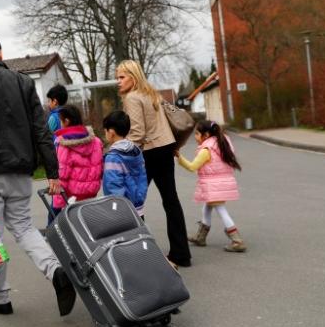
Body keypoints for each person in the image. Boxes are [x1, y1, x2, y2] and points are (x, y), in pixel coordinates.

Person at [0, 36, 76, 316]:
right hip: (21, 170)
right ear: (0, 54)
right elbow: (40, 129)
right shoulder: (22, 82)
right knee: (24, 227)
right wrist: (52, 171)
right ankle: (56, 271)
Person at [116, 59, 192, 268]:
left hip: (148, 153)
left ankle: (136, 254)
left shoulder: (132, 98)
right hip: (165, 149)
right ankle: (181, 254)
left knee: (132, 201)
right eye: (117, 77)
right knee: (171, 201)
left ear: (133, 76)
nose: (118, 81)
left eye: (121, 77)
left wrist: (118, 150)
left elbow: (138, 133)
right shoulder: (152, 93)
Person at [176, 120, 247, 252]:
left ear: (206, 134)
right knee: (207, 208)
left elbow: (192, 167)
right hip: (221, 182)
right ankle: (201, 237)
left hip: (214, 185)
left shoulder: (206, 149)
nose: (195, 137)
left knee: (221, 210)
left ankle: (237, 240)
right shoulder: (221, 143)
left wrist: (179, 157)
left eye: (197, 134)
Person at [50, 104, 103, 224]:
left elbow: (62, 175)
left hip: (72, 196)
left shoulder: (64, 144)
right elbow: (100, 167)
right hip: (91, 193)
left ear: (67, 121)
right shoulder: (96, 141)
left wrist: (58, 203)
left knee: (71, 228)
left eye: (61, 121)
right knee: (87, 223)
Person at [102, 110, 149, 219]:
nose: (105, 134)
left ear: (112, 132)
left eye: (105, 131)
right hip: (138, 208)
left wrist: (114, 210)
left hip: (122, 212)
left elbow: (113, 187)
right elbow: (143, 178)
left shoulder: (112, 157)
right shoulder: (136, 151)